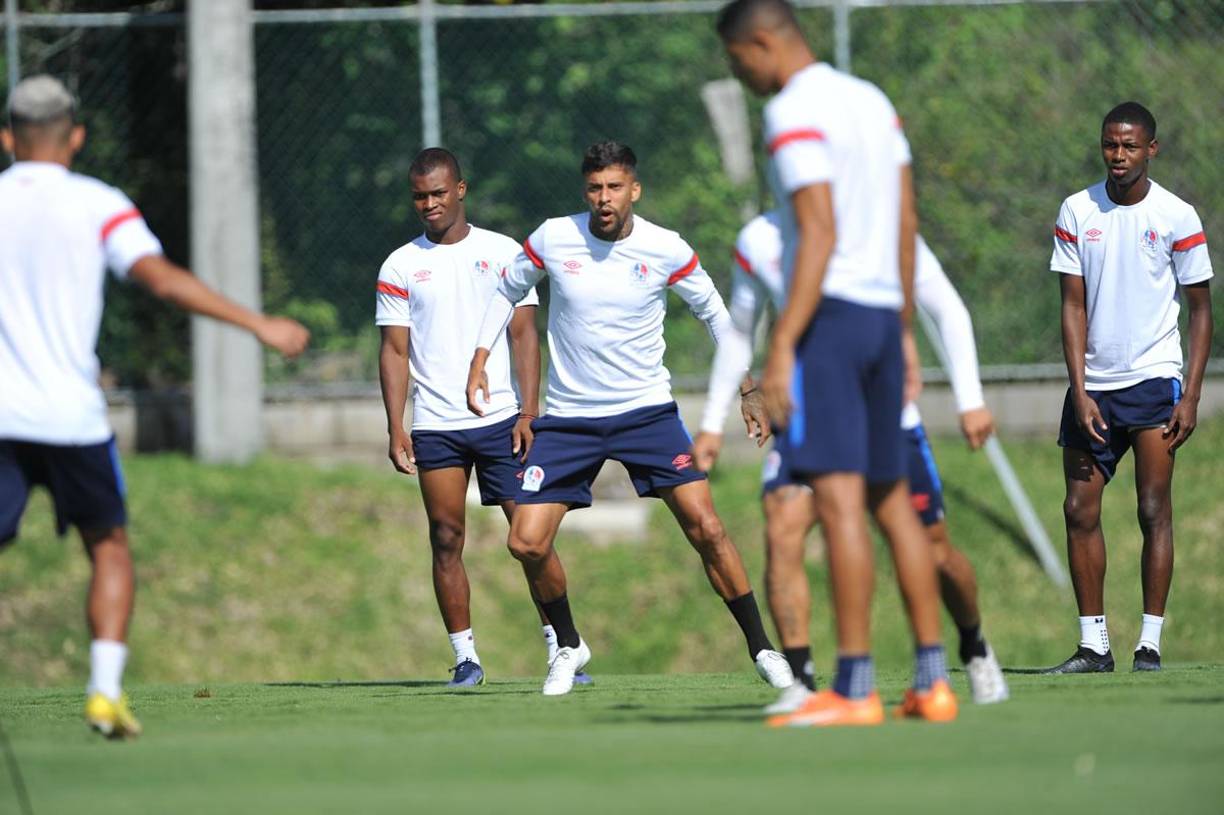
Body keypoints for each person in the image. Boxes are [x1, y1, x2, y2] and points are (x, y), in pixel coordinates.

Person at [0, 76, 310, 739]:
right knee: (109, 546)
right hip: (70, 418)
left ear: (7, 138)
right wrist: (257, 323)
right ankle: (105, 692)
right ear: (76, 136)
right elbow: (161, 280)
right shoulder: (99, 204)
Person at [465, 141, 793, 696]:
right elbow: (507, 290)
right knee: (526, 542)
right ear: (584, 191)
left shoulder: (665, 247)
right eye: (594, 188)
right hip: (570, 420)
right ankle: (568, 645)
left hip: (646, 414)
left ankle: (763, 649)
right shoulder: (553, 236)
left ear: (634, 189)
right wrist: (479, 358)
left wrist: (749, 387)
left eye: (615, 187)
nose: (604, 199)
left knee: (708, 528)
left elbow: (713, 308)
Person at [717, 0, 956, 726]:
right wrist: (905, 328)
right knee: (892, 504)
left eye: (738, 61)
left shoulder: (792, 109)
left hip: (832, 321)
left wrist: (784, 343)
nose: (741, 74)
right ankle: (932, 681)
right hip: (883, 315)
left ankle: (853, 691)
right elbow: (907, 219)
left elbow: (817, 231)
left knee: (842, 501)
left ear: (762, 43)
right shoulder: (872, 100)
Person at [694, 211, 1009, 712]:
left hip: (883, 416)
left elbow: (946, 307)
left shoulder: (876, 218)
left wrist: (970, 398)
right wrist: (713, 420)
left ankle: (968, 648)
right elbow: (741, 330)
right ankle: (804, 683)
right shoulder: (758, 239)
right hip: (806, 419)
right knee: (782, 523)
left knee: (933, 548)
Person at [376, 148, 586, 687]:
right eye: (419, 196)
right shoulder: (400, 264)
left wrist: (529, 411)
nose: (429, 204)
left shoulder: (504, 252)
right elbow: (395, 352)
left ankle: (562, 649)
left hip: (501, 420)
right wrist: (397, 424)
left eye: (438, 193)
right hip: (436, 426)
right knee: (446, 537)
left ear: (461, 190)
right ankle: (466, 659)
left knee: (531, 539)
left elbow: (523, 335)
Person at [1045, 102, 1212, 674]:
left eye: (1130, 147)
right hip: (1094, 388)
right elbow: (1071, 304)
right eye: (1110, 146)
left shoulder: (1177, 216)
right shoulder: (1076, 210)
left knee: (1152, 507)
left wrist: (1189, 394)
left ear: (1151, 150)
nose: (1118, 156)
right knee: (1078, 509)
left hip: (1153, 383)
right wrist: (1080, 388)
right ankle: (1094, 645)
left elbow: (1201, 311)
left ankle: (1150, 643)